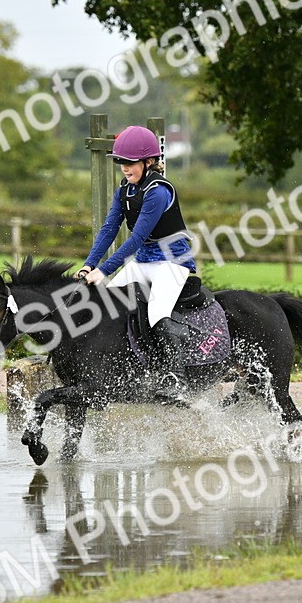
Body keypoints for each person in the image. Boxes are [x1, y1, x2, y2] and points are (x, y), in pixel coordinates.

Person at [76, 125, 197, 405]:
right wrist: (88, 265)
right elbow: (108, 230)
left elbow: (137, 238)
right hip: (143, 262)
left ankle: (175, 379)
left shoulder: (158, 192)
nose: (124, 169)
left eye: (129, 163)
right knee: (106, 305)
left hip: (172, 263)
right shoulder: (125, 189)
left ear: (148, 161)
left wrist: (104, 270)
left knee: (156, 312)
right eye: (121, 163)